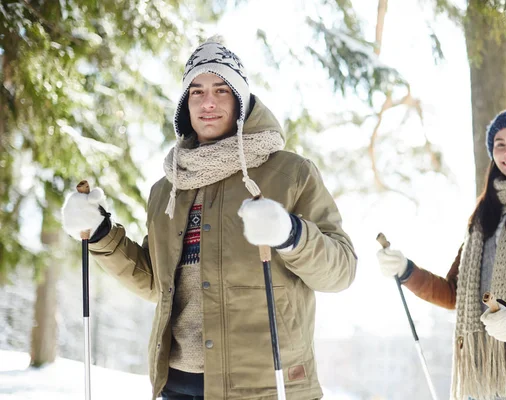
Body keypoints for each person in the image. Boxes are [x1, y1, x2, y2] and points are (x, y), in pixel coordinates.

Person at [62, 35, 357, 400]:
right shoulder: (167, 188)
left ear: (242, 99)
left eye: (222, 89)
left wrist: (291, 233)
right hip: (176, 385)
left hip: (266, 387)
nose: (209, 103)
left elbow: (341, 270)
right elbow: (158, 284)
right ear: (185, 104)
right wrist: (100, 232)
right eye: (197, 92)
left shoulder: (290, 173)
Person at [377, 107, 506, 400]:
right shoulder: (483, 214)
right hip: (483, 358)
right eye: (500, 143)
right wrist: (406, 271)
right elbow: (454, 291)